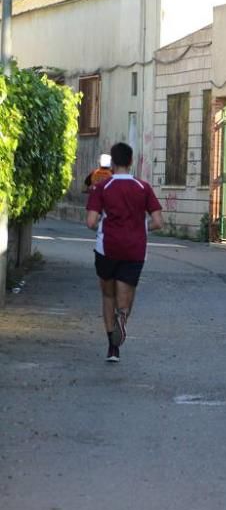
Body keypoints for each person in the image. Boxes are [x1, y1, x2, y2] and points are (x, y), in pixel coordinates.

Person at [85, 142, 163, 363]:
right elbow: (159, 222)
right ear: (130, 161)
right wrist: (142, 226)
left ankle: (112, 347)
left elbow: (91, 222)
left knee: (108, 294)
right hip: (136, 247)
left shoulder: (102, 187)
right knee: (127, 291)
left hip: (107, 247)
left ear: (112, 161)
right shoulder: (143, 187)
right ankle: (123, 316)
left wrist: (102, 223)